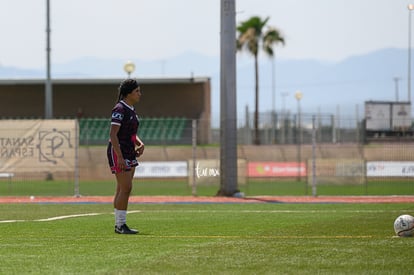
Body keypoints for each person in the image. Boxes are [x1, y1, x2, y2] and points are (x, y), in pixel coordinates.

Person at [107, 78, 144, 234]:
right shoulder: (120, 109)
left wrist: (140, 143)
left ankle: (119, 224)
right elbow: (113, 134)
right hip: (119, 151)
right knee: (126, 188)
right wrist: (120, 157)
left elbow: (130, 133)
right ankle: (120, 225)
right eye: (137, 91)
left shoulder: (131, 109)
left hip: (129, 150)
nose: (139, 94)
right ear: (128, 93)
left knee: (122, 188)